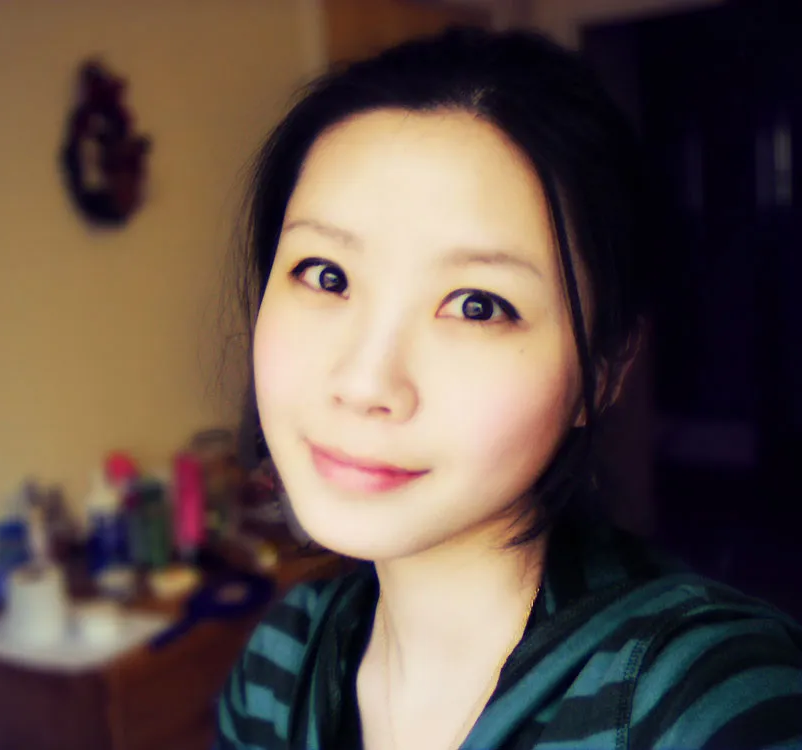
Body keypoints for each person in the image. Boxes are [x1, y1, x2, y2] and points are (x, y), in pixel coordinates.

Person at [216, 27, 802, 750]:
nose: (366, 382)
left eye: (477, 305)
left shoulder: (702, 699)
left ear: (603, 371)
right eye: (325, 275)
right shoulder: (280, 668)